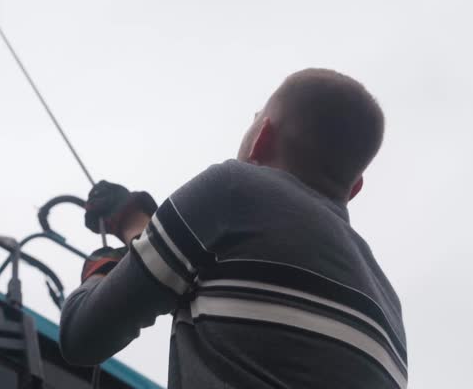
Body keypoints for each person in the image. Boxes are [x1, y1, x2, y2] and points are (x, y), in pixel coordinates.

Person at [59, 68, 407, 388]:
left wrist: (103, 264)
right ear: (355, 188)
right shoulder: (388, 303)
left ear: (261, 137)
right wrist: (140, 228)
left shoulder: (231, 188)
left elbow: (82, 335)